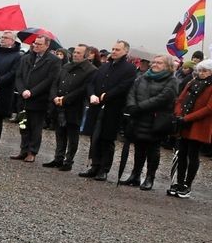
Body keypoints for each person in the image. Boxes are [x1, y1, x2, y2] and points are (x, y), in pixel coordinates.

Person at [79, 40, 138, 180]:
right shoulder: (105, 66)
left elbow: (124, 86)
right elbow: (92, 83)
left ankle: (104, 169)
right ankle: (95, 165)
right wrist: (92, 94)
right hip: (96, 107)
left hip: (113, 109)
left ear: (125, 52)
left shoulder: (129, 68)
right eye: (113, 48)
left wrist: (108, 95)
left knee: (107, 139)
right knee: (95, 137)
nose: (114, 51)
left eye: (117, 49)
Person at [121, 54, 178, 189]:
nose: (155, 65)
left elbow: (163, 98)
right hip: (139, 118)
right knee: (139, 148)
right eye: (154, 62)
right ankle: (135, 175)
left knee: (153, 150)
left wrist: (140, 107)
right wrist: (132, 106)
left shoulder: (172, 80)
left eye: (159, 63)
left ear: (168, 66)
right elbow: (132, 92)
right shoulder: (143, 77)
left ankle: (149, 177)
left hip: (155, 120)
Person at [44, 44, 97, 171]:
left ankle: (68, 161)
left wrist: (65, 99)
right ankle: (58, 158)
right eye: (75, 52)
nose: (75, 54)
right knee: (59, 133)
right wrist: (55, 97)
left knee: (72, 136)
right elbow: (55, 83)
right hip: (59, 105)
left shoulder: (91, 70)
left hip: (75, 106)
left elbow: (83, 89)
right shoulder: (66, 66)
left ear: (85, 55)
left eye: (79, 53)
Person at [10, 36, 62, 162]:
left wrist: (32, 92)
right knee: (23, 125)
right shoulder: (26, 58)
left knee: (35, 127)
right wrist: (22, 90)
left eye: (39, 44)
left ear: (46, 46)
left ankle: (32, 151)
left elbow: (50, 79)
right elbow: (19, 76)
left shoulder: (53, 60)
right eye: (35, 43)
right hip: (23, 99)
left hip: (39, 100)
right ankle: (23, 149)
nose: (36, 46)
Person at [171, 60, 212, 197]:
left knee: (193, 154)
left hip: (198, 124)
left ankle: (187, 184)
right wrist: (178, 113)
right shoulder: (191, 82)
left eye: (205, 71)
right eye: (200, 70)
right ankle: (179, 181)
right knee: (181, 153)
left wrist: (187, 118)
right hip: (184, 122)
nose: (201, 73)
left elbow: (209, 108)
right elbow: (180, 99)